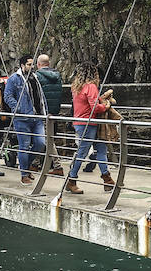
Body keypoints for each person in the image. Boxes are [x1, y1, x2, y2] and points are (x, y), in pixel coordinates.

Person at [6, 55, 58, 183]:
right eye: (29, 64)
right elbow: (8, 96)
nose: (32, 67)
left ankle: (26, 167)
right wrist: (18, 108)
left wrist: (44, 111)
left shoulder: (34, 78)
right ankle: (24, 174)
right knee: (24, 146)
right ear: (22, 65)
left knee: (40, 143)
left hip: (37, 117)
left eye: (32, 64)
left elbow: (40, 96)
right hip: (22, 118)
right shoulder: (14, 79)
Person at [66, 63, 115, 194]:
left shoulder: (76, 87)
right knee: (91, 151)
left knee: (94, 150)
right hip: (89, 123)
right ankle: (72, 180)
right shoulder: (91, 86)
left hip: (81, 122)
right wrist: (106, 107)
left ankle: (107, 179)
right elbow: (95, 107)